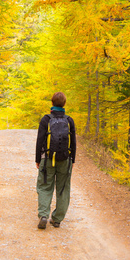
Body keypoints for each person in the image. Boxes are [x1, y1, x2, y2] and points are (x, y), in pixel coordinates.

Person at [35, 92, 76, 229]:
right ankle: (57, 219)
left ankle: (44, 215)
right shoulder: (69, 120)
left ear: (52, 103)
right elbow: (73, 143)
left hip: (47, 159)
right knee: (63, 189)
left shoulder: (46, 119)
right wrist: (73, 160)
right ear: (64, 104)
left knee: (45, 186)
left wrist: (37, 159)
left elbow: (40, 141)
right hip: (65, 159)